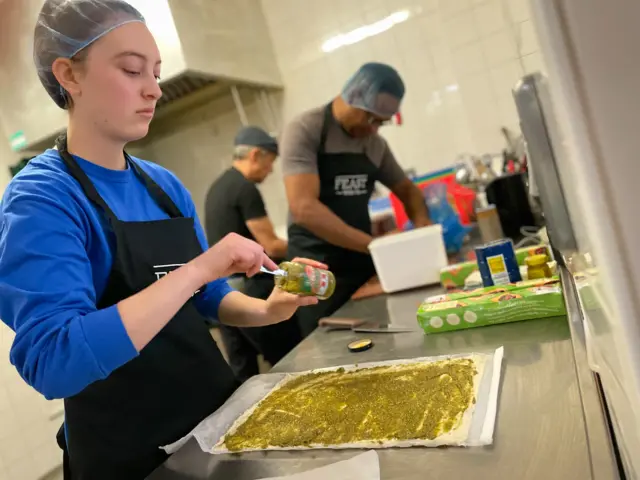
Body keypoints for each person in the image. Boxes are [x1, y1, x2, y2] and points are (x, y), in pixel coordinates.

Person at [0, 1, 323, 478]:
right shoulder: (42, 198)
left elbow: (206, 299)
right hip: (130, 457)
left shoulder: (163, 186)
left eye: (156, 72)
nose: (153, 89)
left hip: (212, 431)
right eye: (132, 70)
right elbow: (54, 360)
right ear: (69, 74)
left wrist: (266, 309)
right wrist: (201, 266)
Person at [281, 63, 432, 337]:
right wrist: (376, 246)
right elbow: (303, 208)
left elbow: (408, 191)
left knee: (380, 339)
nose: (374, 129)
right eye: (371, 119)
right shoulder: (307, 129)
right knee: (327, 350)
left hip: (361, 261)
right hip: (314, 266)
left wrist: (423, 230)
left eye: (382, 123)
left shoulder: (375, 146)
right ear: (352, 96)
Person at [204, 126, 300, 382]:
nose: (269, 171)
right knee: (288, 359)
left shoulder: (218, 187)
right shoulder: (245, 189)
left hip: (222, 293)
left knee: (243, 370)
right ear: (256, 155)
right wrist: (304, 247)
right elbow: (269, 244)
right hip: (250, 287)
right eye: (270, 163)